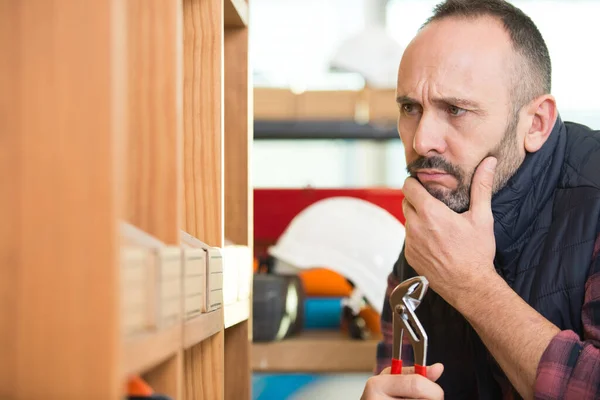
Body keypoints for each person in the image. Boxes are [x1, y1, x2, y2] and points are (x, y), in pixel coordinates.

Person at [360, 0, 600, 399]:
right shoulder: (441, 208)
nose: (421, 141)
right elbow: (395, 368)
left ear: (536, 123)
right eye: (410, 108)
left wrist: (473, 285)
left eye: (455, 109)